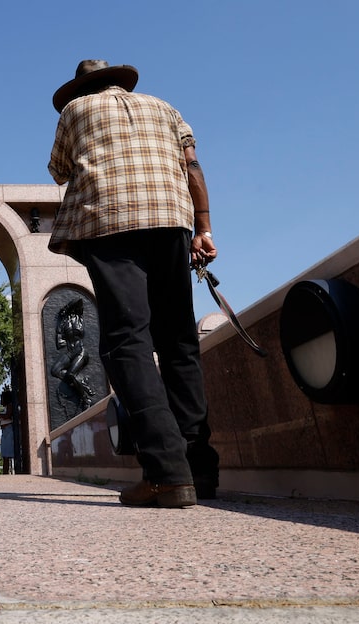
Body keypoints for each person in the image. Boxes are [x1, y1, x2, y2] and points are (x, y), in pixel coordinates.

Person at [48, 59, 220, 508]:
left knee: (128, 340)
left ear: (82, 87)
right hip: (171, 219)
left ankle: (166, 473)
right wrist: (204, 229)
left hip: (110, 221)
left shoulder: (75, 112)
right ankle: (199, 468)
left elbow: (60, 170)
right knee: (179, 339)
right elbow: (194, 167)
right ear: (119, 81)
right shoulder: (165, 107)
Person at [0, 389, 16, 474]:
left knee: (8, 455)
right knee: (5, 455)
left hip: (9, 430)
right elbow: (1, 421)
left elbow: (8, 415)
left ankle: (7, 472)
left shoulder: (10, 405)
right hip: (4, 431)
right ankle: (5, 473)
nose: (0, 401)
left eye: (1, 398)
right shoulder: (3, 408)